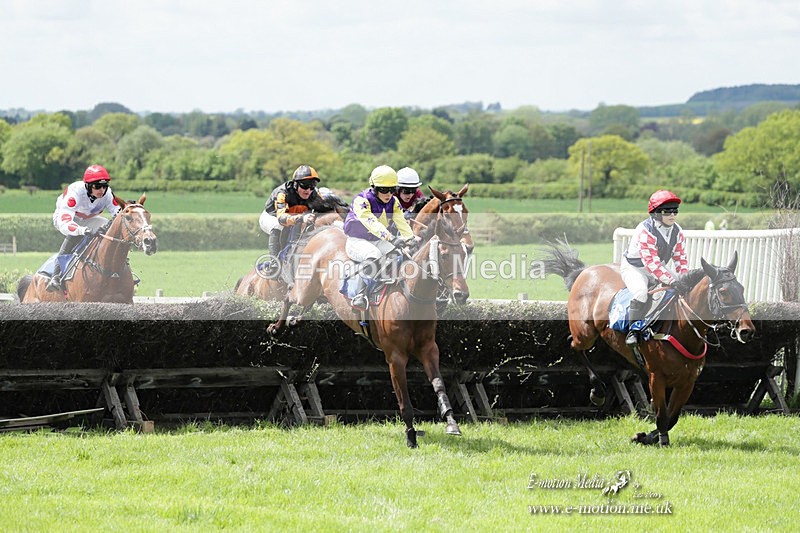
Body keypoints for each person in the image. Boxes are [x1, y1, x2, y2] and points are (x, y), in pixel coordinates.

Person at [621, 189, 689, 345]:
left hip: (658, 267)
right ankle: (633, 330)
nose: (672, 215)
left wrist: (684, 277)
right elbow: (651, 264)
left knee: (685, 285)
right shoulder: (645, 230)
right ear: (656, 213)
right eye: (667, 212)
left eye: (675, 211)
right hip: (635, 268)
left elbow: (680, 257)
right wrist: (672, 281)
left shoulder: (677, 230)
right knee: (641, 292)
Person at [343, 165, 416, 307]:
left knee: (397, 254)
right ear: (374, 188)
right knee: (374, 254)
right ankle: (360, 295)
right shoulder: (361, 200)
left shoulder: (394, 202)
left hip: (378, 240)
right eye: (383, 190)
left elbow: (401, 222)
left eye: (392, 189)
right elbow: (371, 223)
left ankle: (389, 288)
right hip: (357, 241)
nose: (388, 194)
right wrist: (391, 238)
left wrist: (411, 239)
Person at [47, 164, 121, 292]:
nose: (102, 190)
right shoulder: (75, 193)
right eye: (97, 186)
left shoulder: (107, 194)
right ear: (87, 185)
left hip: (89, 219)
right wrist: (81, 230)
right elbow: (65, 222)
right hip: (68, 219)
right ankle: (56, 276)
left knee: (110, 229)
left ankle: (117, 267)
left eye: (104, 186)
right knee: (76, 235)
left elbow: (119, 214)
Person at [259, 165, 323, 269]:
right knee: (278, 226)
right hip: (271, 217)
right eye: (305, 185)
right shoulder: (282, 193)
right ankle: (275, 263)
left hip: (293, 219)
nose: (308, 190)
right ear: (295, 184)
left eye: (312, 185)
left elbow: (327, 207)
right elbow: (282, 219)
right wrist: (302, 218)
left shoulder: (314, 193)